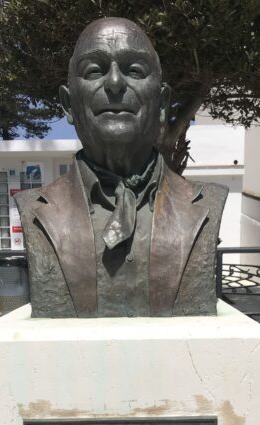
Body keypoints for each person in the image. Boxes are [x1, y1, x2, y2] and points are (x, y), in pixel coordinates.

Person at [15, 17, 228, 318]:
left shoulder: (209, 203)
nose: (115, 83)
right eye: (94, 71)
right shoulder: (32, 209)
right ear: (68, 104)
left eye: (135, 70)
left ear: (163, 102)